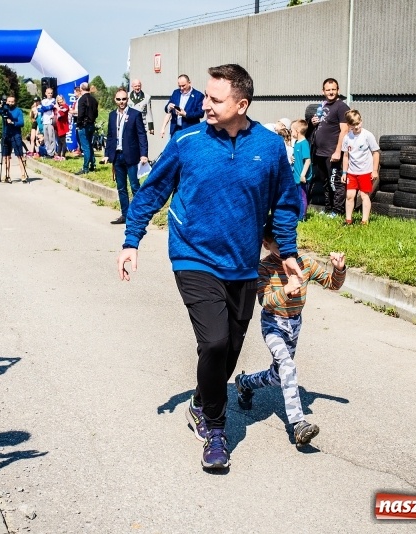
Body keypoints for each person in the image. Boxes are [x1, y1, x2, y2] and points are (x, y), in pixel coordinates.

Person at [116, 64, 300, 470]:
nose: (205, 105)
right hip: (193, 255)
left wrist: (288, 252)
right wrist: (132, 241)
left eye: (216, 100)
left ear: (242, 104)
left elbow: (285, 204)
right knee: (215, 341)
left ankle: (203, 398)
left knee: (231, 347)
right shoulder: (188, 141)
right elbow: (151, 193)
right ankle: (215, 430)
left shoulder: (269, 148)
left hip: (243, 264)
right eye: (205, 97)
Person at [234, 226, 346, 448]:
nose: (287, 250)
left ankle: (244, 383)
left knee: (278, 375)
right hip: (273, 323)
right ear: (266, 245)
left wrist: (339, 269)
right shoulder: (264, 267)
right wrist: (286, 289)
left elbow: (332, 284)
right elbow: (264, 301)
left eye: (290, 244)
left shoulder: (304, 262)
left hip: (295, 324)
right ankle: (298, 424)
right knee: (287, 366)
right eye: (279, 246)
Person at [103, 89, 149, 225]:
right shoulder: (112, 115)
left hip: (131, 155)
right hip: (117, 156)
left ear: (127, 99)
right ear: (115, 100)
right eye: (118, 99)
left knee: (135, 186)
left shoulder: (135, 114)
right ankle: (125, 214)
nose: (121, 102)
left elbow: (141, 135)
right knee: (121, 187)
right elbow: (110, 136)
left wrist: (144, 154)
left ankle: (139, 214)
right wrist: (107, 154)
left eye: (123, 99)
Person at [311, 78, 350, 217]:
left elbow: (344, 130)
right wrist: (314, 122)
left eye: (333, 89)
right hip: (320, 152)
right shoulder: (324, 105)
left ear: (338, 90)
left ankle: (338, 211)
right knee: (326, 183)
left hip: (332, 152)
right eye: (328, 90)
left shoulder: (342, 107)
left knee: (336, 183)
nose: (331, 92)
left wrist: (338, 151)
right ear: (323, 91)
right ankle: (328, 209)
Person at [342, 109, 380, 225]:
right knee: (350, 195)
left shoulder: (367, 135)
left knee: (364, 195)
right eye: (354, 125)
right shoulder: (347, 138)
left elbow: (376, 153)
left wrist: (374, 170)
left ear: (361, 121)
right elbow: (346, 156)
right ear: (349, 125)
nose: (357, 127)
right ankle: (348, 219)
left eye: (358, 124)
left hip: (365, 172)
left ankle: (364, 221)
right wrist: (344, 172)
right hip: (352, 172)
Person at [0, 95, 26, 183]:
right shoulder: (4, 110)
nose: (10, 103)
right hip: (6, 134)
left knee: (20, 155)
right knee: (6, 156)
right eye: (8, 101)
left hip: (16, 135)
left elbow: (21, 123)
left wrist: (13, 122)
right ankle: (7, 175)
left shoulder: (18, 111)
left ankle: (23, 174)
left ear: (15, 102)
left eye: (12, 102)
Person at [74, 82, 98, 175]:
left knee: (85, 147)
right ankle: (93, 164)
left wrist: (79, 124)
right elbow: (96, 114)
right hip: (92, 124)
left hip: (84, 125)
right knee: (89, 145)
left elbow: (81, 114)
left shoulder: (82, 99)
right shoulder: (94, 100)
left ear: (81, 89)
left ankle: (85, 167)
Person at [291, 119, 312, 220]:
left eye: (292, 130)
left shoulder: (304, 144)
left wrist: (303, 174)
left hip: (302, 177)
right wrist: (292, 157)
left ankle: (302, 216)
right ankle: (297, 213)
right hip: (295, 176)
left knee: (302, 197)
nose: (291, 132)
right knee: (296, 196)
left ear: (297, 131)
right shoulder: (296, 143)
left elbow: (307, 160)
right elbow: (297, 157)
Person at [38, 87, 57, 158]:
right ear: (46, 93)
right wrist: (44, 108)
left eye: (51, 93)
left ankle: (52, 153)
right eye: (48, 93)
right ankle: (48, 151)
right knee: (46, 138)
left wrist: (44, 108)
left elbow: (49, 108)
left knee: (51, 137)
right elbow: (40, 110)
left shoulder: (53, 100)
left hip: (50, 121)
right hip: (44, 121)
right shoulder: (43, 101)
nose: (50, 94)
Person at [54, 94, 70, 160]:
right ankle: (58, 154)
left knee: (63, 141)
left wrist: (58, 108)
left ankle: (63, 155)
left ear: (63, 99)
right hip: (57, 126)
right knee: (59, 141)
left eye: (61, 99)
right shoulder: (57, 107)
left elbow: (62, 114)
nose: (60, 101)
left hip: (63, 126)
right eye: (58, 100)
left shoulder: (65, 106)